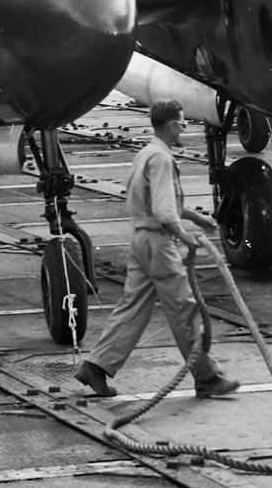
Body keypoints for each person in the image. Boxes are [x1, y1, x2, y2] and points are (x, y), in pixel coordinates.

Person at [73, 99, 240, 399]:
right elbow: (164, 213)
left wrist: (196, 218)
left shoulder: (147, 153)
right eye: (182, 121)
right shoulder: (162, 159)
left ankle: (95, 366)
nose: (185, 126)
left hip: (140, 240)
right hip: (159, 243)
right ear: (171, 124)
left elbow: (159, 203)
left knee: (132, 308)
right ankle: (207, 376)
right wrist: (185, 236)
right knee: (184, 309)